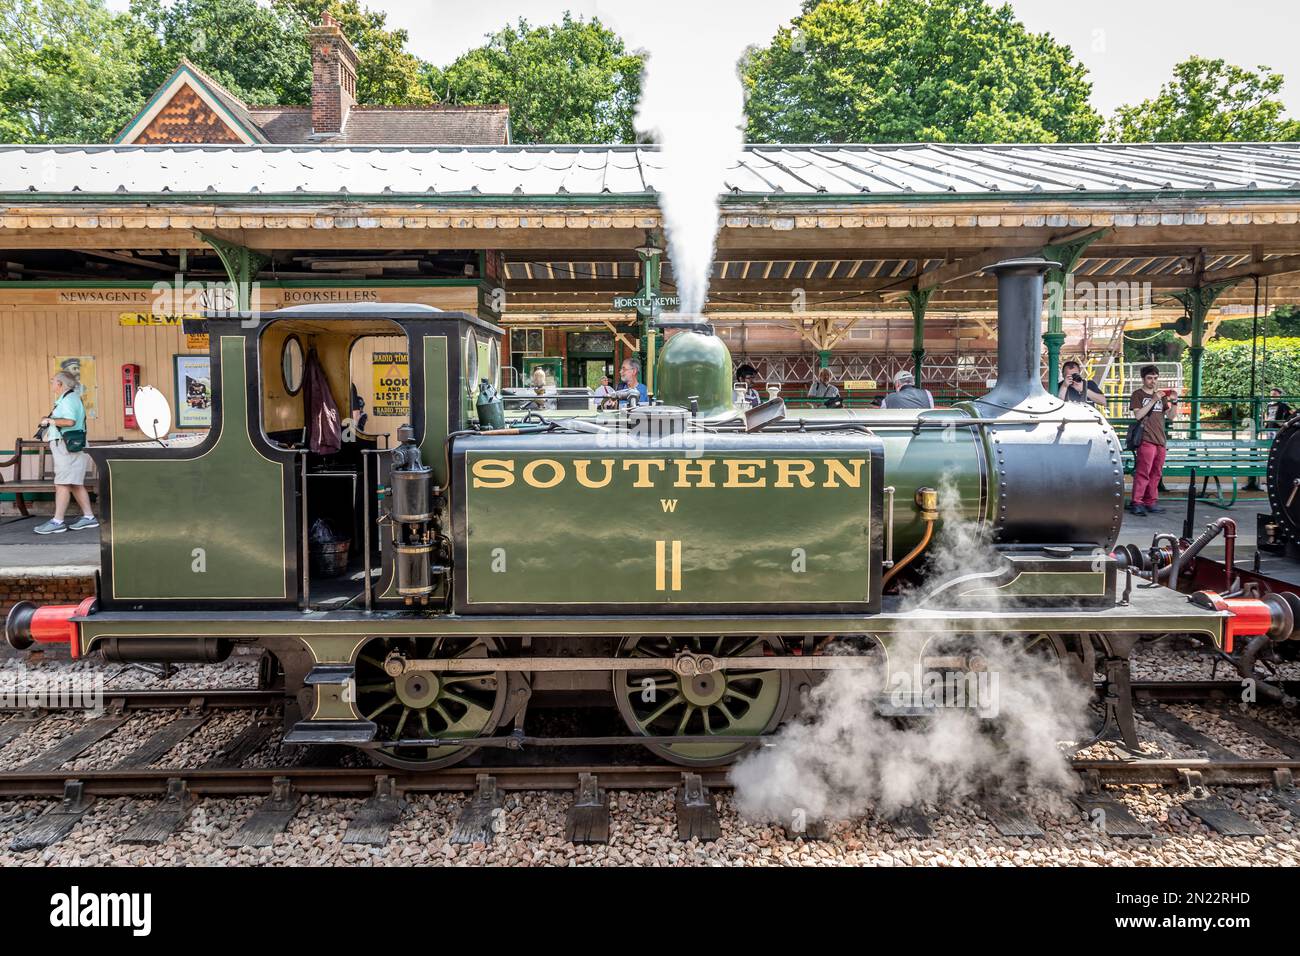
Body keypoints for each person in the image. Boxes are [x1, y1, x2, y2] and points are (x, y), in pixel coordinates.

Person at [34, 371, 97, 534]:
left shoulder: (68, 400)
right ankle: (89, 518)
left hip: (66, 446)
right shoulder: (69, 398)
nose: (52, 383)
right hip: (70, 446)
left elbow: (70, 421)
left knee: (61, 483)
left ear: (60, 384)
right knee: (74, 483)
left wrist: (50, 420)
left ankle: (57, 521)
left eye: (53, 381)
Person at [1129, 364, 1179, 516]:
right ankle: (1137, 502)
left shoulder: (1161, 396)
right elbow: (1138, 415)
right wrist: (1152, 400)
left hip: (1160, 439)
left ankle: (1150, 501)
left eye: (1155, 378)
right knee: (1143, 472)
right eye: (1149, 378)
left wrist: (1175, 402)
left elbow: (1170, 416)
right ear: (1143, 379)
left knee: (1156, 472)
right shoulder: (1138, 394)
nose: (1153, 381)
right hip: (1146, 439)